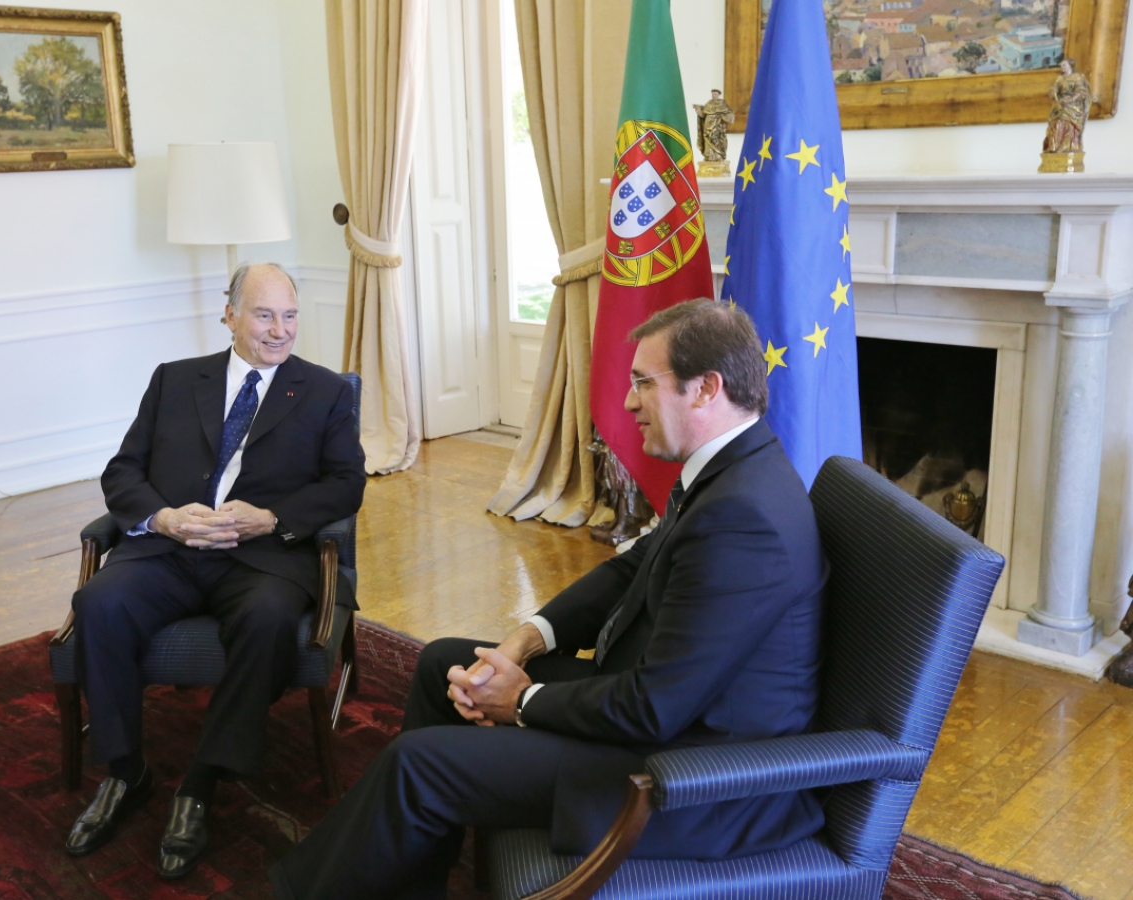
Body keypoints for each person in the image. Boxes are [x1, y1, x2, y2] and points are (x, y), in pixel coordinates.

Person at [271, 300, 827, 900]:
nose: (628, 402)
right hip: (666, 719)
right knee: (445, 665)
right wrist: (522, 643)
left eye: (643, 382)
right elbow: (631, 571)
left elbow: (653, 709)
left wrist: (523, 700)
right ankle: (410, 879)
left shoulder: (743, 519)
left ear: (705, 389)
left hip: (692, 776)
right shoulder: (732, 472)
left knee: (417, 764)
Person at [65, 263, 366, 879]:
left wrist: (272, 518)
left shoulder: (325, 391)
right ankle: (127, 772)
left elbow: (346, 484)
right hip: (171, 548)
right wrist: (166, 518)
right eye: (264, 315)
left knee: (267, 618)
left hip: (263, 555)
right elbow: (121, 472)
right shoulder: (175, 380)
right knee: (99, 603)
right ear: (228, 314)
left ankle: (200, 783)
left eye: (290, 315)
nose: (280, 330)